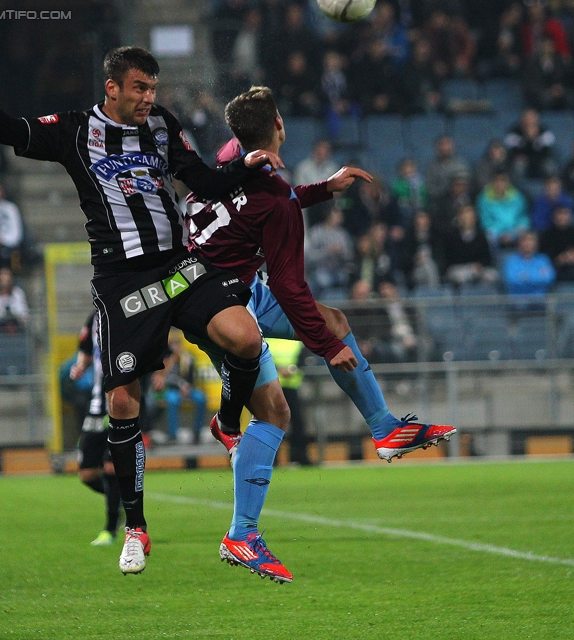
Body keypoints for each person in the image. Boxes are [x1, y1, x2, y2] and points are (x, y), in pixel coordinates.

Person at [0, 47, 283, 576]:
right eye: (140, 88)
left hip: (177, 266)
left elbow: (203, 180)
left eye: (153, 88)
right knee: (123, 399)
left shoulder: (162, 126)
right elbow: (6, 130)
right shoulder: (76, 132)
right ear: (112, 88)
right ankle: (137, 528)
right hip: (124, 283)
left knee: (247, 339)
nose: (149, 97)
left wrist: (243, 166)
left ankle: (227, 423)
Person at [185, 87, 455, 581]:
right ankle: (242, 534)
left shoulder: (231, 161)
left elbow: (268, 201)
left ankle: (386, 429)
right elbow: (290, 286)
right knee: (276, 410)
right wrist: (328, 350)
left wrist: (322, 189)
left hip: (230, 285)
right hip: (222, 308)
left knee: (336, 321)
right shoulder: (276, 201)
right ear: (281, 125)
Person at [69, 311, 123, 547]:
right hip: (96, 404)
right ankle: (121, 501)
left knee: (112, 468)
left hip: (122, 403)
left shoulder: (127, 311)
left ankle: (110, 530)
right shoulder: (92, 319)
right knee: (88, 474)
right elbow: (86, 351)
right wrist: (80, 366)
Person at [266, 338, 310, 466]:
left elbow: (303, 361)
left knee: (296, 423)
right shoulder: (294, 341)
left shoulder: (294, 342)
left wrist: (288, 370)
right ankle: (274, 459)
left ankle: (299, 456)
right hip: (272, 388)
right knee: (274, 423)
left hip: (288, 387)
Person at [503, 230, 556, 296]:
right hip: (517, 301)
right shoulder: (511, 260)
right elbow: (511, 279)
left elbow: (549, 278)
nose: (528, 243)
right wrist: (538, 275)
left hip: (539, 300)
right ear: (519, 243)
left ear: (536, 243)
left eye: (531, 240)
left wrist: (524, 277)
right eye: (525, 240)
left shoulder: (543, 260)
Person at [0, 266, 29, 331]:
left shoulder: (18, 293)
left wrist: (14, 314)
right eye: (1, 277)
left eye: (6, 276)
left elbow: (24, 313)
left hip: (17, 327)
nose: (4, 279)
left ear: (11, 279)